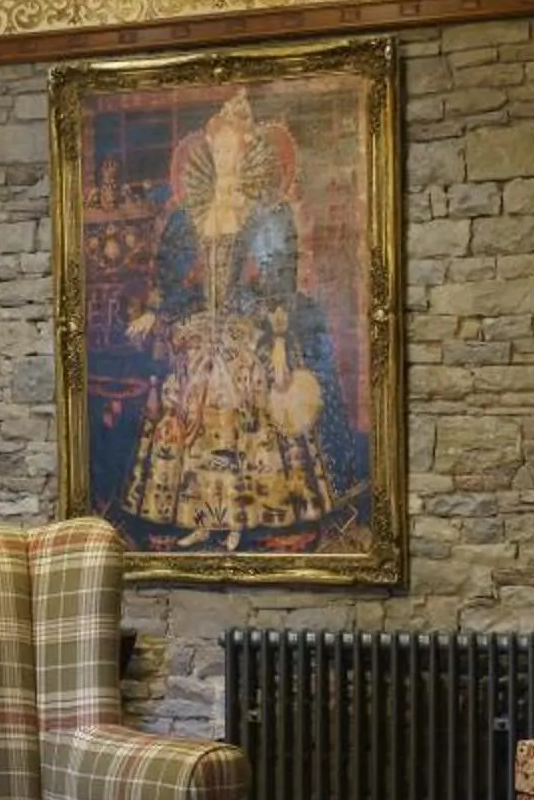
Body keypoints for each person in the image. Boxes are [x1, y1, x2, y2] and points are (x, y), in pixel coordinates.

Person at [115, 89, 355, 548]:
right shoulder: (190, 214)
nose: (224, 157)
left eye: (233, 148)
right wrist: (154, 312)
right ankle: (205, 516)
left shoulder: (268, 212)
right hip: (202, 328)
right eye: (218, 148)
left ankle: (242, 517)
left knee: (241, 409)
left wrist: (280, 341)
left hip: (251, 331)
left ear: (248, 152)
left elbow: (278, 279)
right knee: (193, 412)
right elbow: (168, 270)